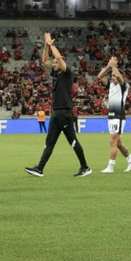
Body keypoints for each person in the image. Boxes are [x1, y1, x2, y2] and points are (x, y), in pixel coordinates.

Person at [25, 33, 91, 178]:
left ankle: (85, 167)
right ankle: (40, 168)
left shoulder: (67, 74)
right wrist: (46, 46)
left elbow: (59, 58)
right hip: (56, 113)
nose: (53, 64)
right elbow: (44, 60)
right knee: (49, 143)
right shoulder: (55, 75)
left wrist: (52, 45)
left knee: (73, 141)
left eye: (55, 63)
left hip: (65, 113)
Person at [98, 56, 131, 173]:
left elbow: (119, 77)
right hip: (111, 116)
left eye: (114, 76)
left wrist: (114, 66)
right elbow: (100, 77)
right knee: (118, 143)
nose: (112, 77)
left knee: (112, 141)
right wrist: (108, 66)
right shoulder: (111, 85)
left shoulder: (124, 86)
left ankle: (111, 166)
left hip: (118, 116)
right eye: (112, 76)